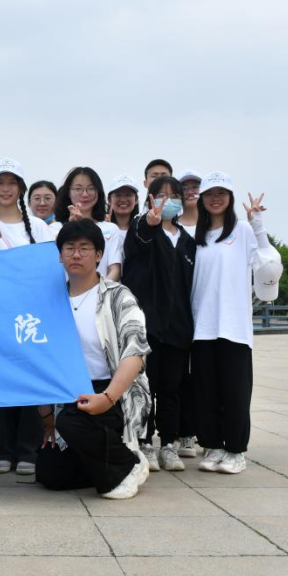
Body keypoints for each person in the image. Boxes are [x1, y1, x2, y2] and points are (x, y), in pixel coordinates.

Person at [36, 219, 152, 499]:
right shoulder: (51, 300)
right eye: (69, 248)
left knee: (71, 423)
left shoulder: (118, 296)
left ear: (99, 255)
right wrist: (47, 417)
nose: (76, 255)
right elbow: (40, 359)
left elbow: (135, 353)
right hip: (71, 392)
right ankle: (104, 463)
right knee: (50, 473)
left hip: (113, 392)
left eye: (85, 248)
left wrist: (108, 397)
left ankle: (128, 464)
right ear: (60, 255)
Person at [191, 172, 274, 475]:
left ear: (230, 198)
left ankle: (236, 450)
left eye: (221, 194)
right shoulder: (197, 236)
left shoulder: (242, 230)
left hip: (234, 327)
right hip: (202, 328)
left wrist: (258, 225)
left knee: (235, 393)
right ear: (202, 199)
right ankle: (213, 445)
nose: (215, 199)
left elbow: (268, 263)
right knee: (206, 392)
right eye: (210, 194)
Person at [0, 158, 52, 475]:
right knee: (2, 384)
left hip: (30, 318)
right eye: (0, 183)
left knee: (30, 384)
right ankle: (3, 449)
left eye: (12, 183)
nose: (5, 189)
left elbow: (49, 269)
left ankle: (28, 450)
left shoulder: (39, 227)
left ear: (20, 188)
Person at [122, 177, 196, 472]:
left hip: (178, 327)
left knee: (171, 388)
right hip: (148, 326)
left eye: (174, 195)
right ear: (150, 198)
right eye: (161, 195)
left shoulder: (188, 241)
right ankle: (144, 442)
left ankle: (168, 444)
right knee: (145, 387)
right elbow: (136, 244)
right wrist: (149, 223)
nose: (168, 201)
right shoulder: (143, 228)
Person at [173, 168, 203, 459]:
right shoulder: (173, 228)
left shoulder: (212, 228)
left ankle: (201, 430)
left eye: (196, 186)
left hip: (206, 311)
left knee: (203, 376)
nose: (191, 191)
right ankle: (183, 433)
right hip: (179, 313)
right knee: (179, 375)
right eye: (186, 187)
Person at [54, 166, 121, 280]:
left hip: (103, 290)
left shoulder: (111, 229)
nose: (85, 194)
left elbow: (115, 270)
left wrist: (100, 289)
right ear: (68, 192)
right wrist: (69, 227)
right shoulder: (55, 228)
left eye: (91, 188)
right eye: (78, 188)